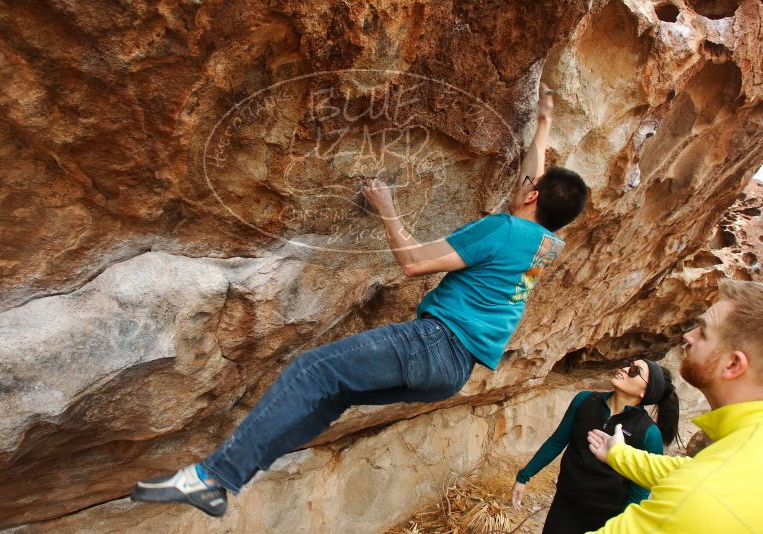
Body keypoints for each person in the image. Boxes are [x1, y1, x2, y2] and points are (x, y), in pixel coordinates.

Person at [129, 83, 588, 517]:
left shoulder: (503, 229)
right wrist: (543, 122)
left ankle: (214, 477)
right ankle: (225, 481)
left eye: (533, 184)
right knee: (330, 395)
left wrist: (388, 208)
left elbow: (413, 262)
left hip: (435, 343)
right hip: (452, 373)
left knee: (313, 369)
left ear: (532, 195)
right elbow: (535, 179)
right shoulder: (545, 245)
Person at [586, 279, 763, 532]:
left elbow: (698, 482)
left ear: (732, 365)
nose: (687, 336)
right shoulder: (746, 447)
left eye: (702, 331)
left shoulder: (699, 496)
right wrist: (619, 454)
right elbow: (690, 468)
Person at [510, 359, 680, 534]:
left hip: (606, 517)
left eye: (635, 370)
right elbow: (557, 441)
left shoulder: (648, 433)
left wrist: (621, 527)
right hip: (565, 502)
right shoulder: (584, 400)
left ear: (645, 392)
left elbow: (640, 491)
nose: (625, 368)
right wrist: (524, 476)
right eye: (629, 364)